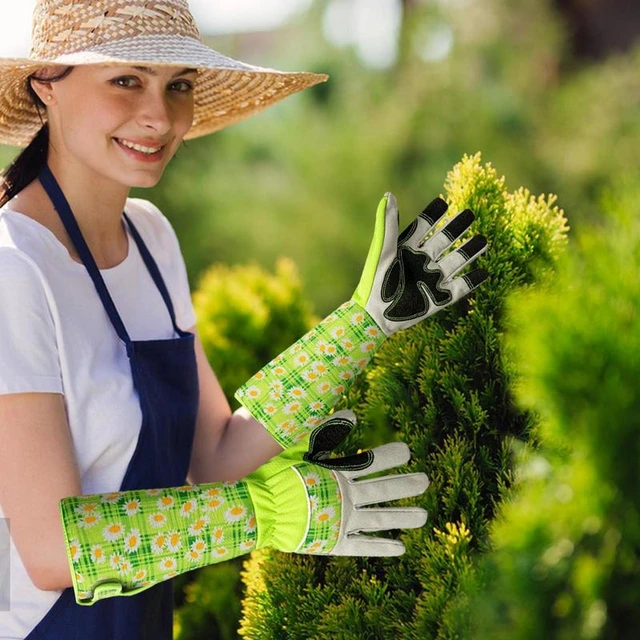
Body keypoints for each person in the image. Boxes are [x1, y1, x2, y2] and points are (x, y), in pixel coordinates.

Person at [0, 1, 488, 638]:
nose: (158, 116)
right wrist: (260, 513)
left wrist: (363, 325)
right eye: (127, 79)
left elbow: (217, 456)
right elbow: (53, 552)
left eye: (178, 86)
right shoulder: (15, 269)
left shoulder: (151, 240)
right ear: (48, 87)